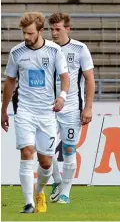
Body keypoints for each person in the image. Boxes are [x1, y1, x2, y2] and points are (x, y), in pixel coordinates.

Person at [1, 12, 70, 213]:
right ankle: (29, 202)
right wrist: (4, 110)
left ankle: (40, 192)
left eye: (30, 33)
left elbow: (66, 78)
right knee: (26, 151)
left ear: (40, 31)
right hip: (24, 111)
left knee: (46, 161)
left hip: (47, 112)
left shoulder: (55, 51)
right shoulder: (16, 52)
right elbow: (10, 82)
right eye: (24, 33)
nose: (26, 37)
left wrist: (62, 97)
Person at [47, 13, 95, 204]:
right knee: (45, 147)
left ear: (68, 29)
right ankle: (58, 180)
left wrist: (88, 107)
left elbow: (90, 79)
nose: (54, 32)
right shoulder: (46, 48)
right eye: (51, 29)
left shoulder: (80, 49)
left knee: (68, 148)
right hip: (47, 107)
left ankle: (65, 192)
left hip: (72, 107)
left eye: (57, 29)